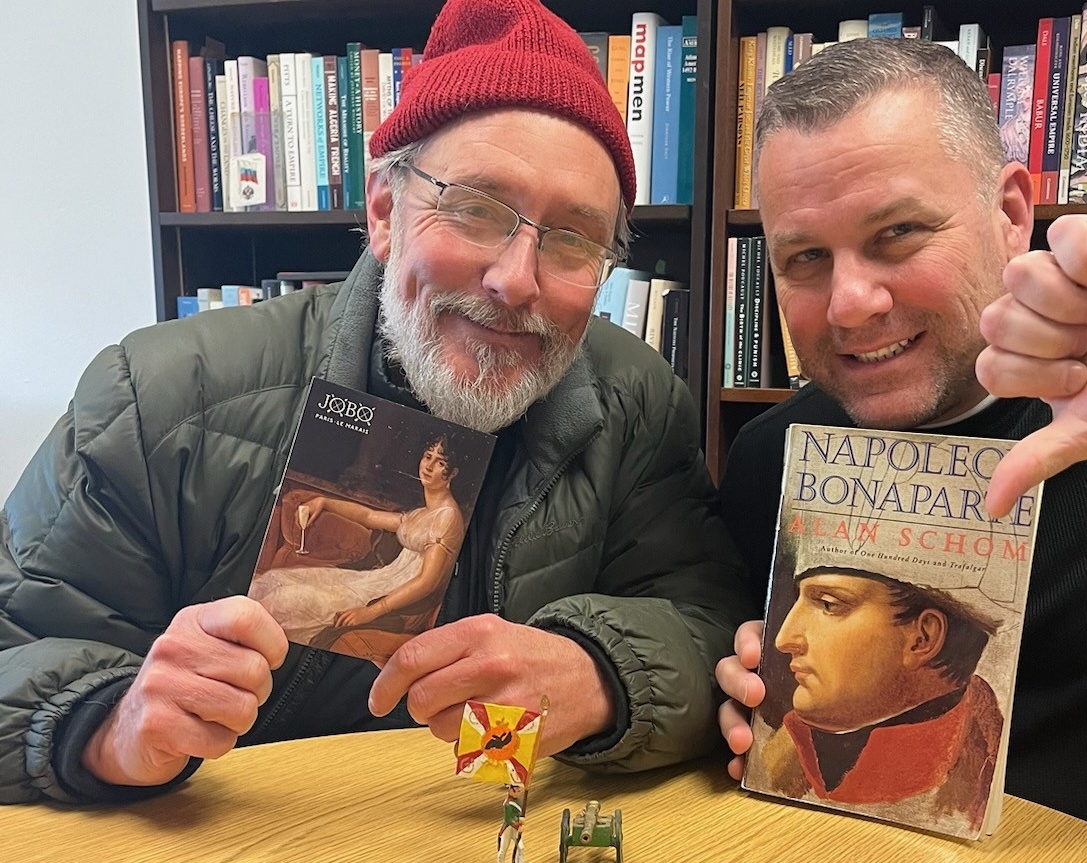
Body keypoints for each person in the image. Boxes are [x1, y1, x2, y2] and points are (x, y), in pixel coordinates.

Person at [0, 0, 751, 808]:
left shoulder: (637, 403)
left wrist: (604, 671)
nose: (515, 280)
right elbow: (18, 644)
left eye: (573, 237)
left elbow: (717, 622)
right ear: (385, 211)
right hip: (228, 849)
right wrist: (109, 726)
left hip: (489, 842)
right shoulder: (158, 397)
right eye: (476, 209)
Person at [714, 37, 1087, 863]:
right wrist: (729, 698)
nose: (851, 302)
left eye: (897, 234)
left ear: (1012, 210)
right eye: (805, 258)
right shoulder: (768, 462)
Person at [753, 566, 1003, 836]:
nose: (783, 640)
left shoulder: (971, 778)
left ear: (922, 638)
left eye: (828, 605)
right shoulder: (779, 747)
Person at [250, 435, 467, 663]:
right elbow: (369, 516)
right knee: (274, 580)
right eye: (427, 456)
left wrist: (371, 612)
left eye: (440, 462)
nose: (429, 466)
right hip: (377, 582)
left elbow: (427, 582)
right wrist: (324, 501)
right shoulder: (422, 514)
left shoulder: (447, 517)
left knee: (285, 600)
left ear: (452, 473)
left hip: (393, 600)